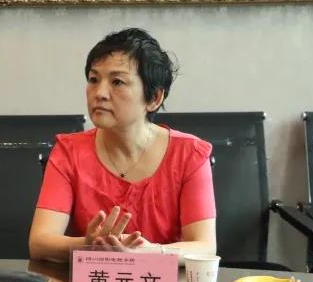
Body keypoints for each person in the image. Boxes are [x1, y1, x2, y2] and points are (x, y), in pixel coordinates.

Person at [28, 28, 216, 263]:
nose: (99, 93)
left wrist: (150, 253)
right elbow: (39, 242)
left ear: (154, 98)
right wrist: (87, 246)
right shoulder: (69, 152)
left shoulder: (189, 154)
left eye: (117, 82)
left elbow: (205, 247)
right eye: (94, 79)